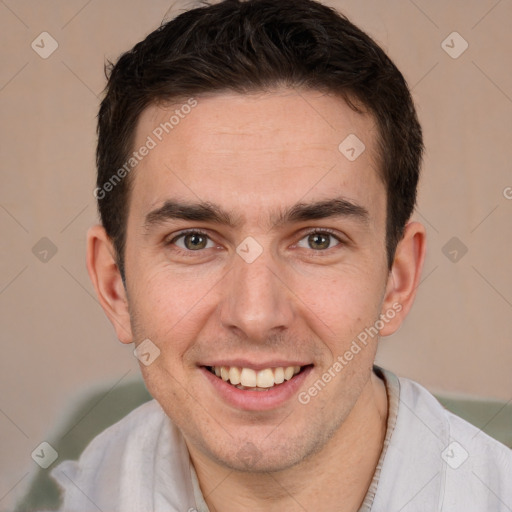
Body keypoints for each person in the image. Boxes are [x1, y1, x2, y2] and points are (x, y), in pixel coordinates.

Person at [47, 0, 512, 510]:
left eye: (318, 240)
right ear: (115, 285)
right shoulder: (88, 488)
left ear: (397, 281)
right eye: (194, 240)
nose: (254, 315)